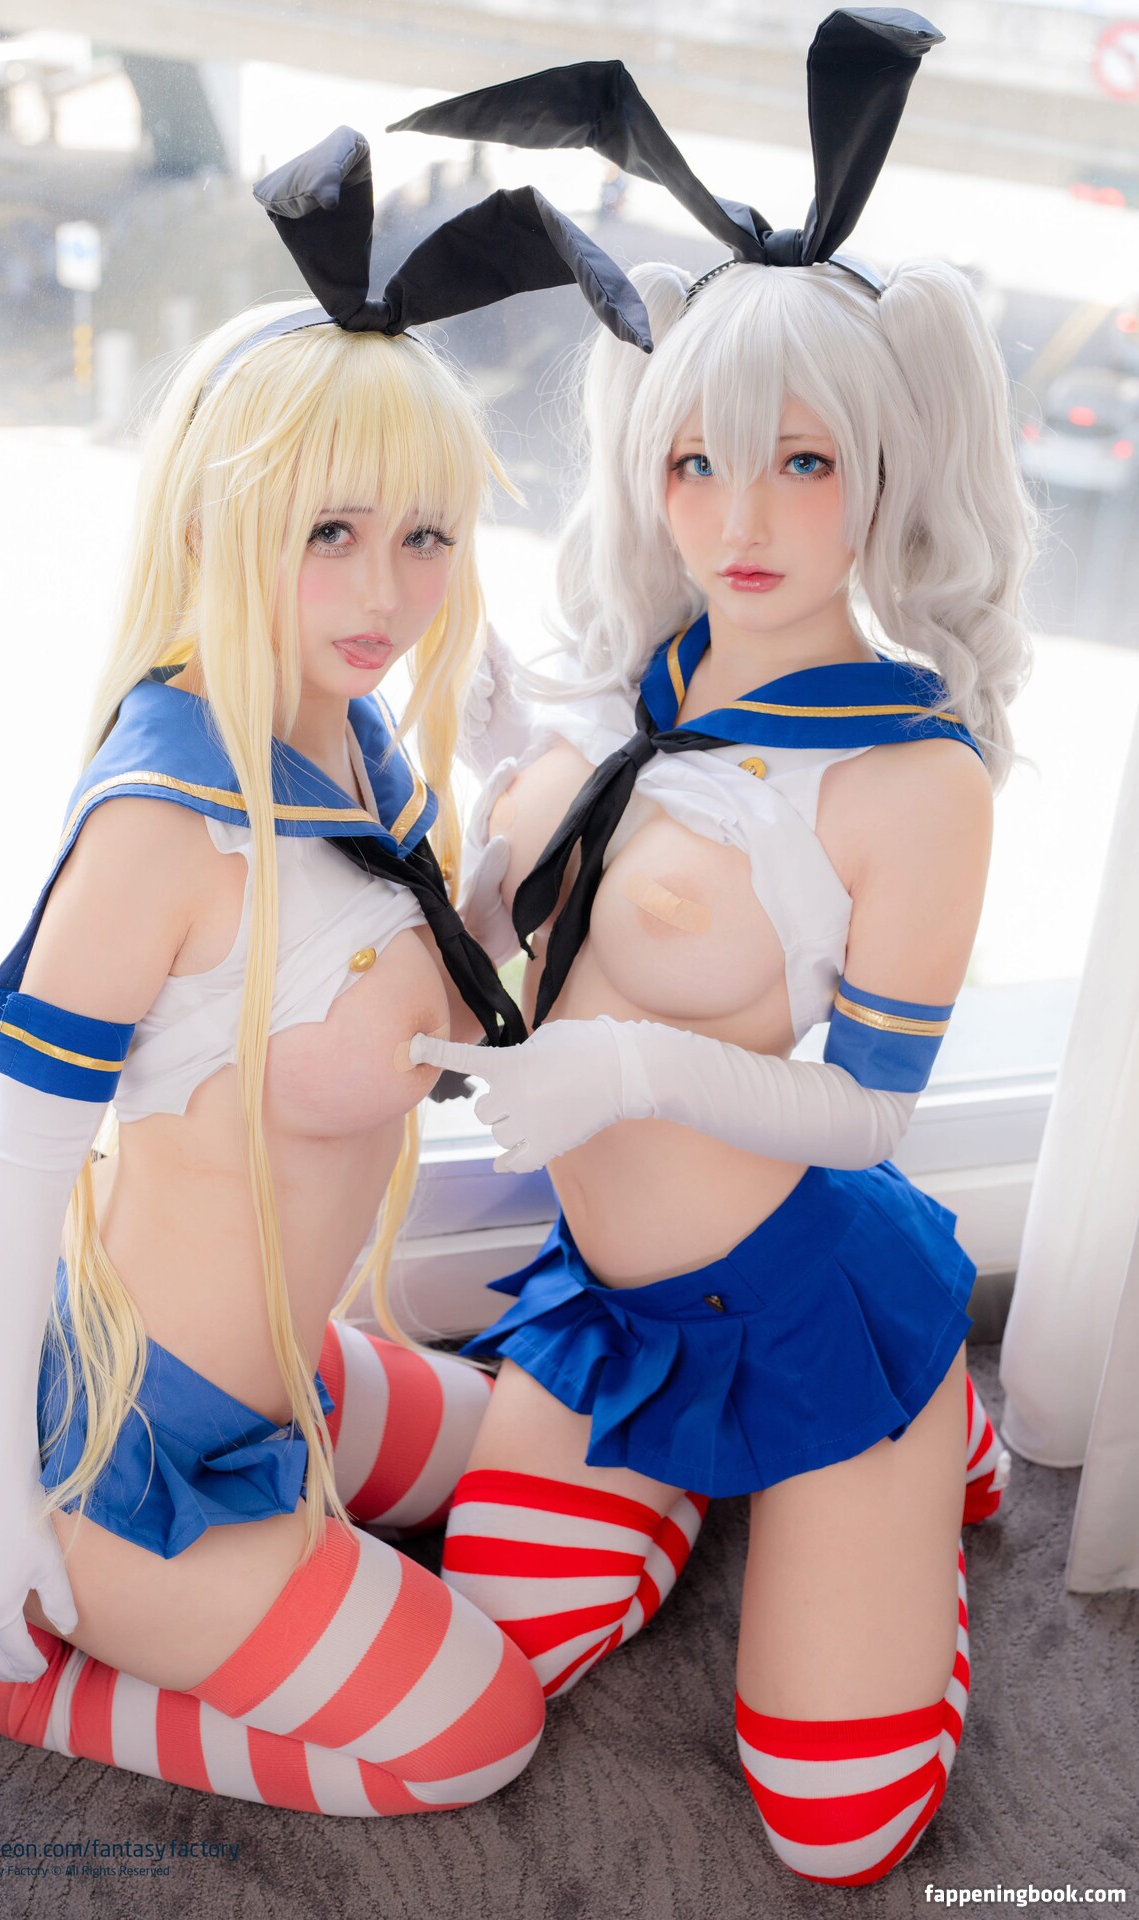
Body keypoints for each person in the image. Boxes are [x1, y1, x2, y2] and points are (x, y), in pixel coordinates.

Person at [0, 126, 650, 1813]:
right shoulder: (161, 826)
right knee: (475, 1735)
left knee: (557, 1440)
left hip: (269, 1382)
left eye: (426, 537)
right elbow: (17, 1178)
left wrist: (525, 802)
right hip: (109, 1448)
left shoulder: (353, 742)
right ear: (226, 522)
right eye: (330, 533)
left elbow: (416, 969)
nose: (387, 591)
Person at [399, 25, 1029, 1884]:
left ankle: (926, 1434)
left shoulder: (914, 781)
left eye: (800, 463)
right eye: (695, 462)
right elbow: (518, 933)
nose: (737, 522)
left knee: (840, 1831)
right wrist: (484, 803)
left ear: (883, 470)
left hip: (807, 1302)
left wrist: (632, 1068)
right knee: (499, 1644)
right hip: (611, 1300)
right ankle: (684, 1474)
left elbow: (871, 1114)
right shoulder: (622, 689)